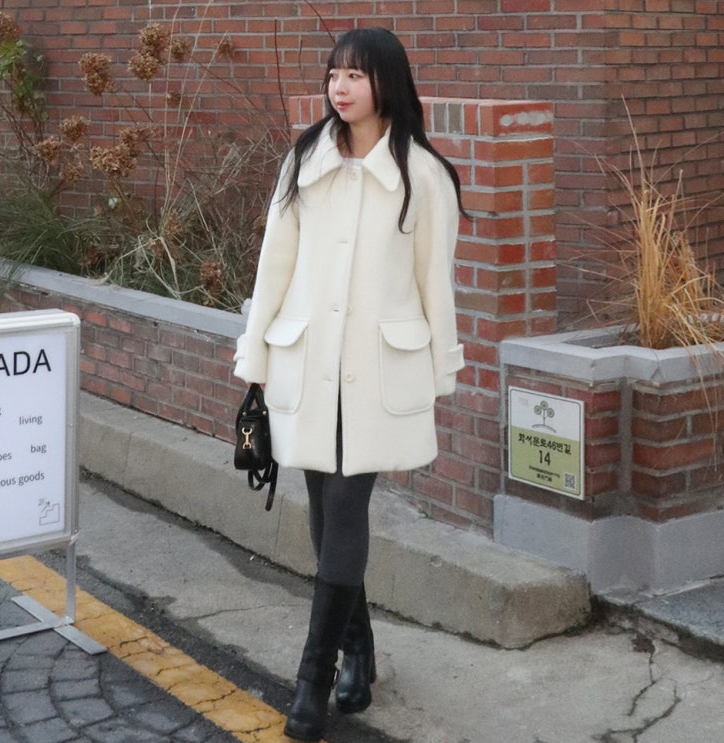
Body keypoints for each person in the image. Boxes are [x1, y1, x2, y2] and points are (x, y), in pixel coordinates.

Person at [233, 27, 466, 742]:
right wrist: (255, 356)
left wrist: (440, 370)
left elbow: (435, 281)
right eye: (334, 73)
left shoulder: (422, 174)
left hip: (377, 370)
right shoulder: (305, 159)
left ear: (387, 82)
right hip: (307, 363)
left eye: (355, 75)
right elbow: (275, 261)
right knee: (322, 514)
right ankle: (358, 646)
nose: (340, 86)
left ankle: (312, 678)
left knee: (345, 509)